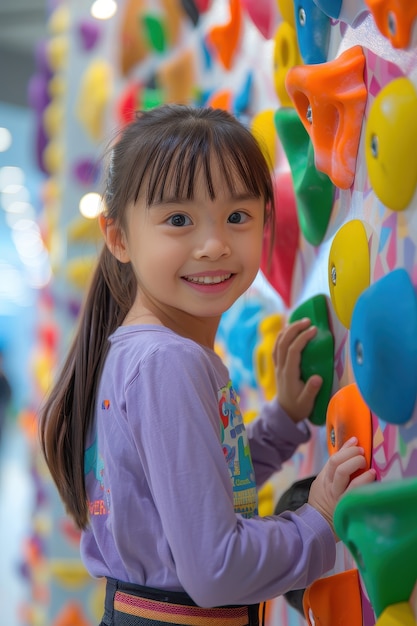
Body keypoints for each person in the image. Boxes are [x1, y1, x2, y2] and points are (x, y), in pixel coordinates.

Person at [39, 104, 375, 626]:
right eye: (179, 220)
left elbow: (196, 491)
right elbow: (215, 568)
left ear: (266, 219)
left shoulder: (138, 353)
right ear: (119, 238)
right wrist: (319, 521)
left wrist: (282, 423)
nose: (214, 244)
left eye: (237, 216)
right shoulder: (166, 362)